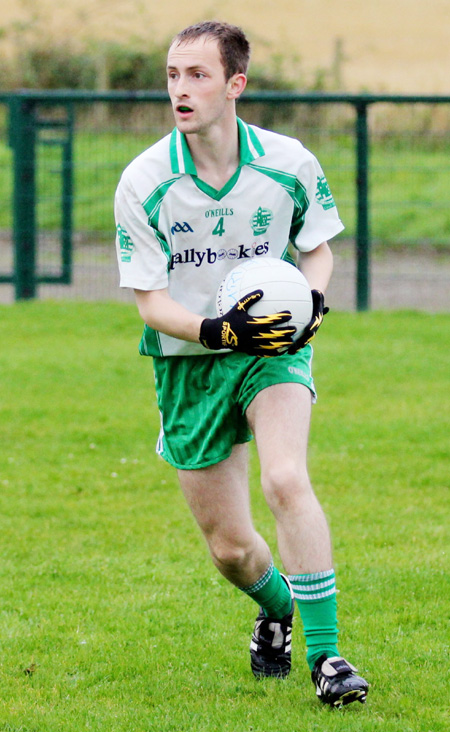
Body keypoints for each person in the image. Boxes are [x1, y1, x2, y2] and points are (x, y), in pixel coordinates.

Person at [114, 20, 369, 707]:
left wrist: (312, 300)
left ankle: (329, 658)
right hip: (189, 359)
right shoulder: (144, 181)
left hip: (273, 349)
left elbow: (317, 247)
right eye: (172, 76)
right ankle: (277, 608)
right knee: (230, 548)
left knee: (287, 479)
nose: (180, 90)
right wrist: (217, 330)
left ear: (235, 85)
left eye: (197, 75)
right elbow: (150, 304)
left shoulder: (287, 162)